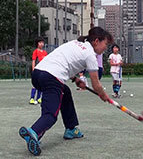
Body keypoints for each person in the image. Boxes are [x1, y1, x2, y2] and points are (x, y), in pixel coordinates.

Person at [19, 27, 113, 156]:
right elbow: (96, 85)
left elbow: (63, 61)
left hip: (37, 74)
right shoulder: (90, 55)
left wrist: (75, 78)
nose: (105, 48)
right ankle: (33, 132)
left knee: (65, 92)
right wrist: (104, 95)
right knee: (51, 115)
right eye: (105, 44)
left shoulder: (75, 43)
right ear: (96, 41)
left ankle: (70, 128)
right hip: (52, 78)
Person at [29, 37, 48, 105]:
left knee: (40, 85)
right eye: (40, 42)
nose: (41, 44)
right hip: (36, 70)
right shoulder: (35, 51)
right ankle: (32, 98)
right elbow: (33, 61)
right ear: (37, 44)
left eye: (42, 42)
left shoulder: (45, 52)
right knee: (34, 85)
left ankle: (39, 98)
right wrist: (33, 69)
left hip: (42, 70)